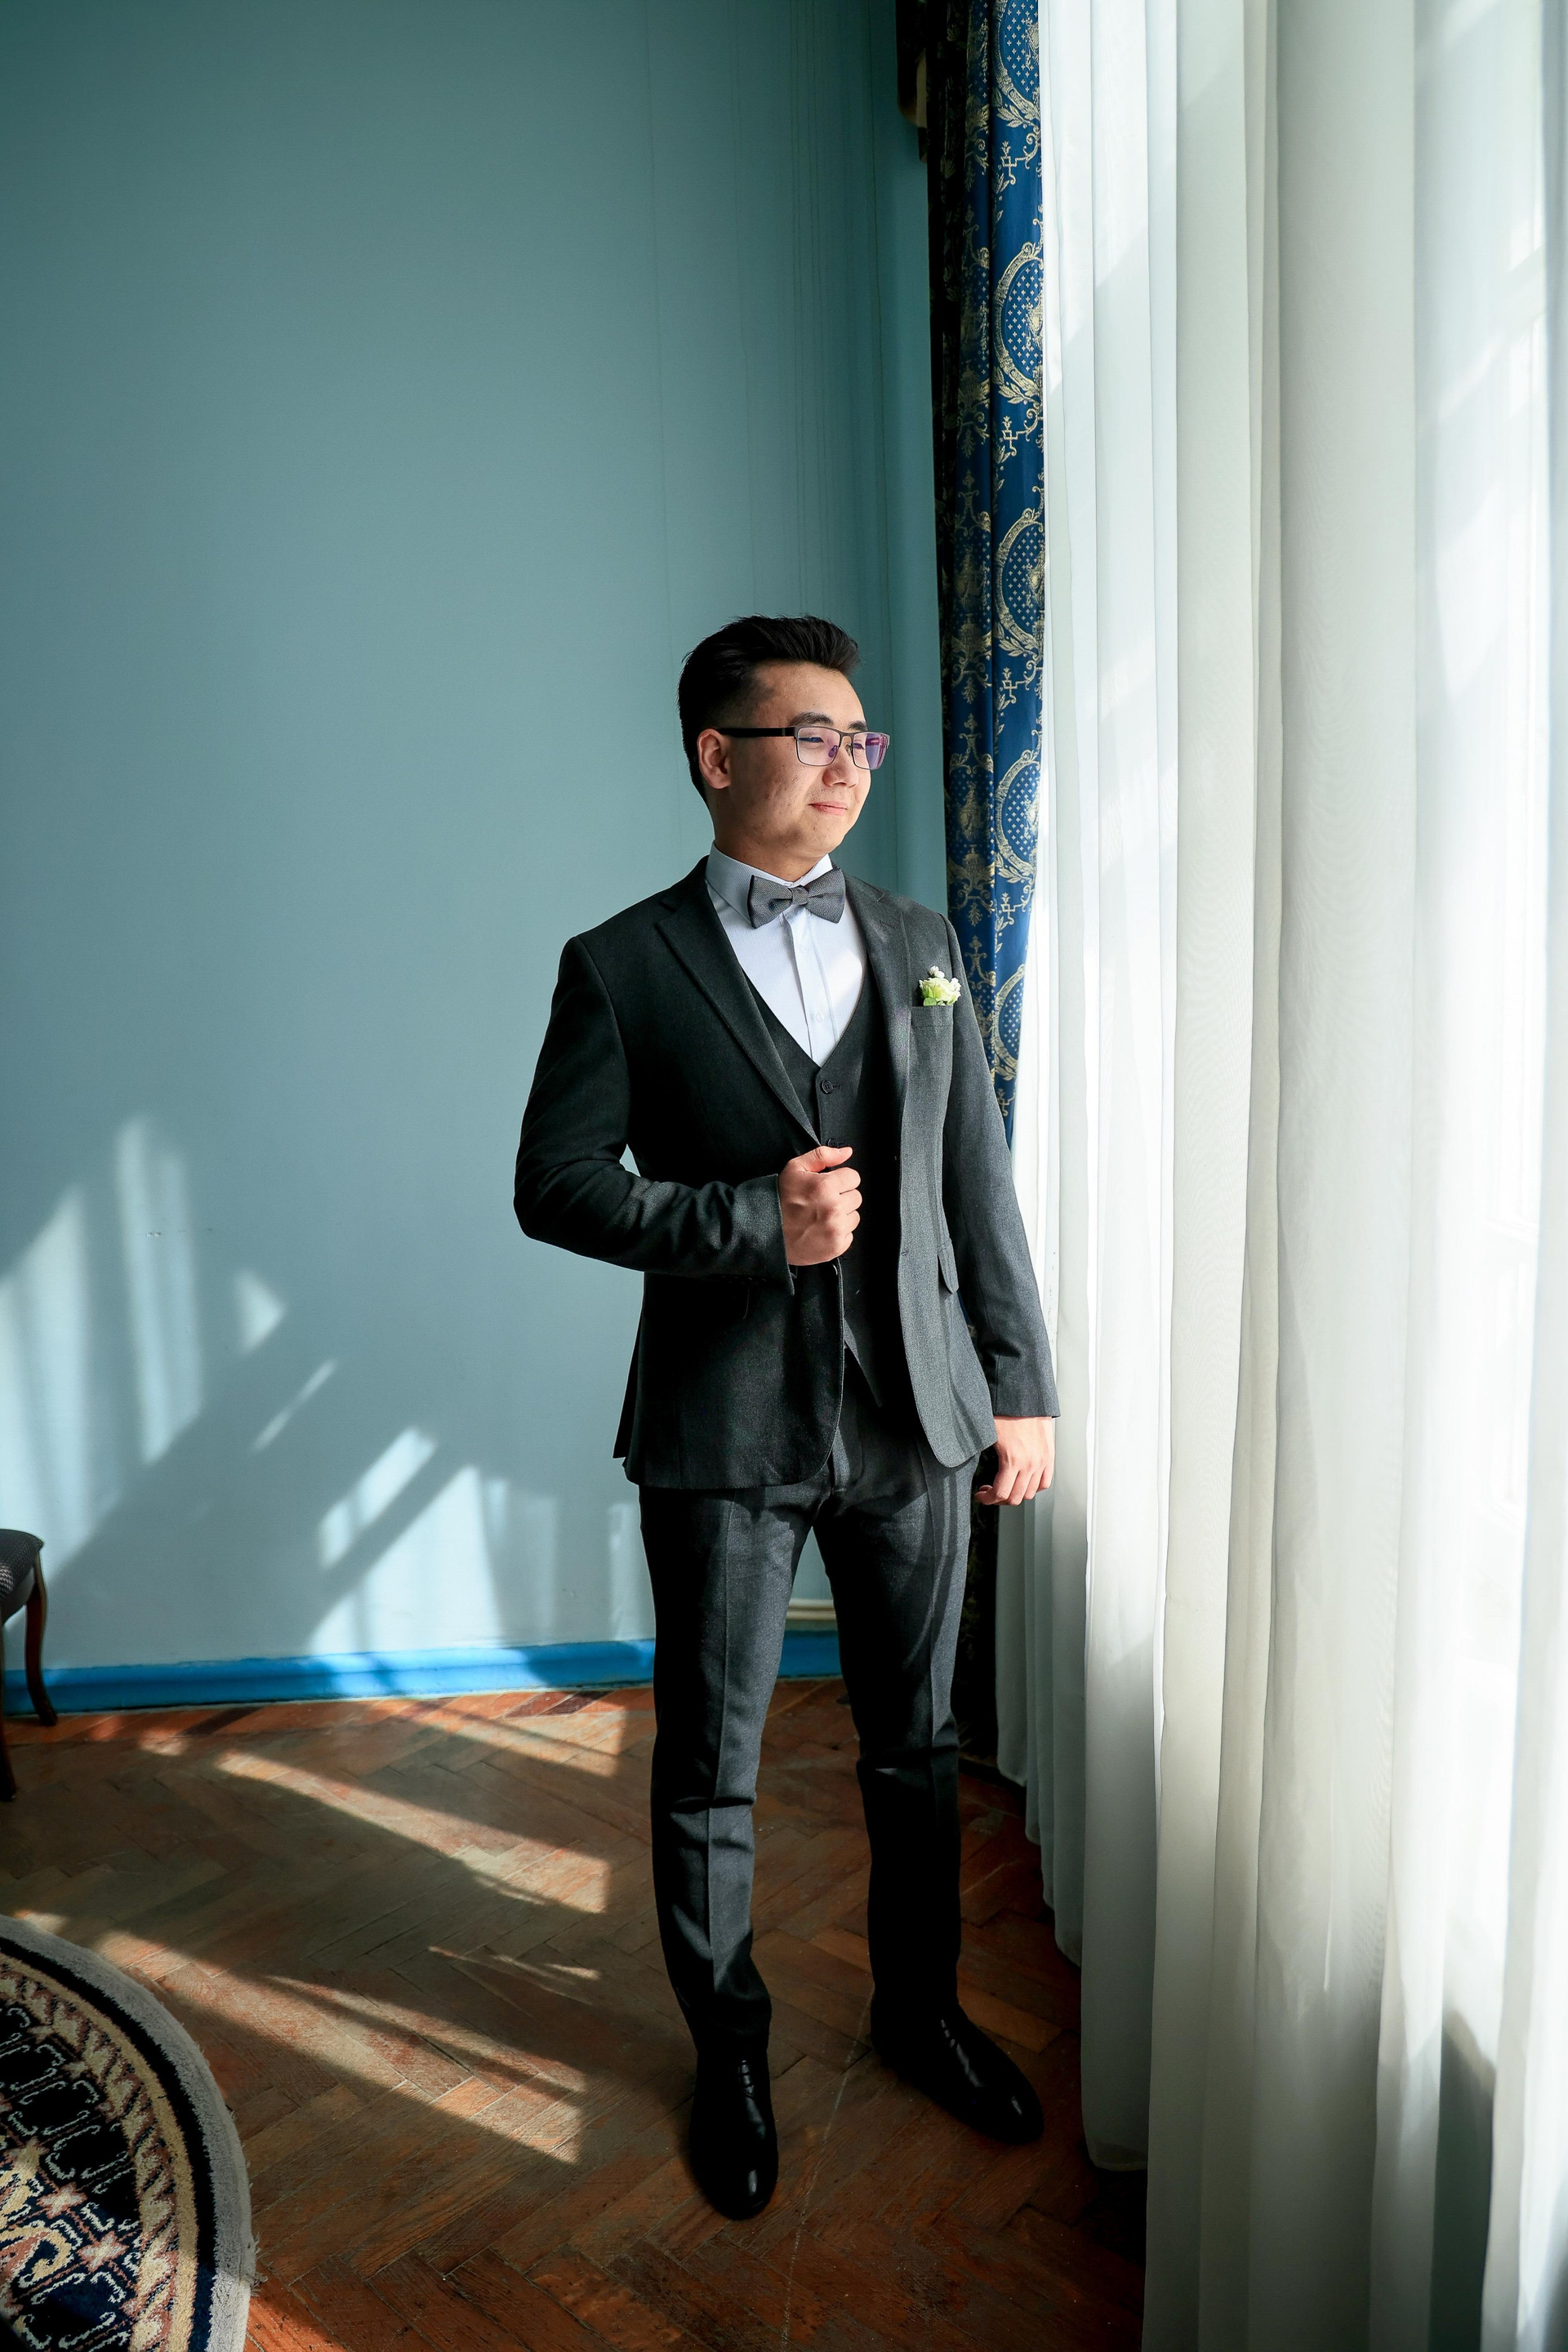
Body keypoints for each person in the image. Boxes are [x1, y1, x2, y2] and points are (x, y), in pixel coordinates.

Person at [514, 613, 1058, 2221]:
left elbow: (974, 1186)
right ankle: (731, 2052)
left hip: (915, 1421)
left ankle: (920, 2013)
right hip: (722, 1430)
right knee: (709, 1763)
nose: (847, 765)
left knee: (921, 1746)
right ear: (717, 756)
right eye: (812, 735)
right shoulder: (620, 963)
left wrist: (1020, 1386)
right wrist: (755, 1223)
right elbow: (555, 1186)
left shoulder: (921, 939)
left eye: (858, 739)